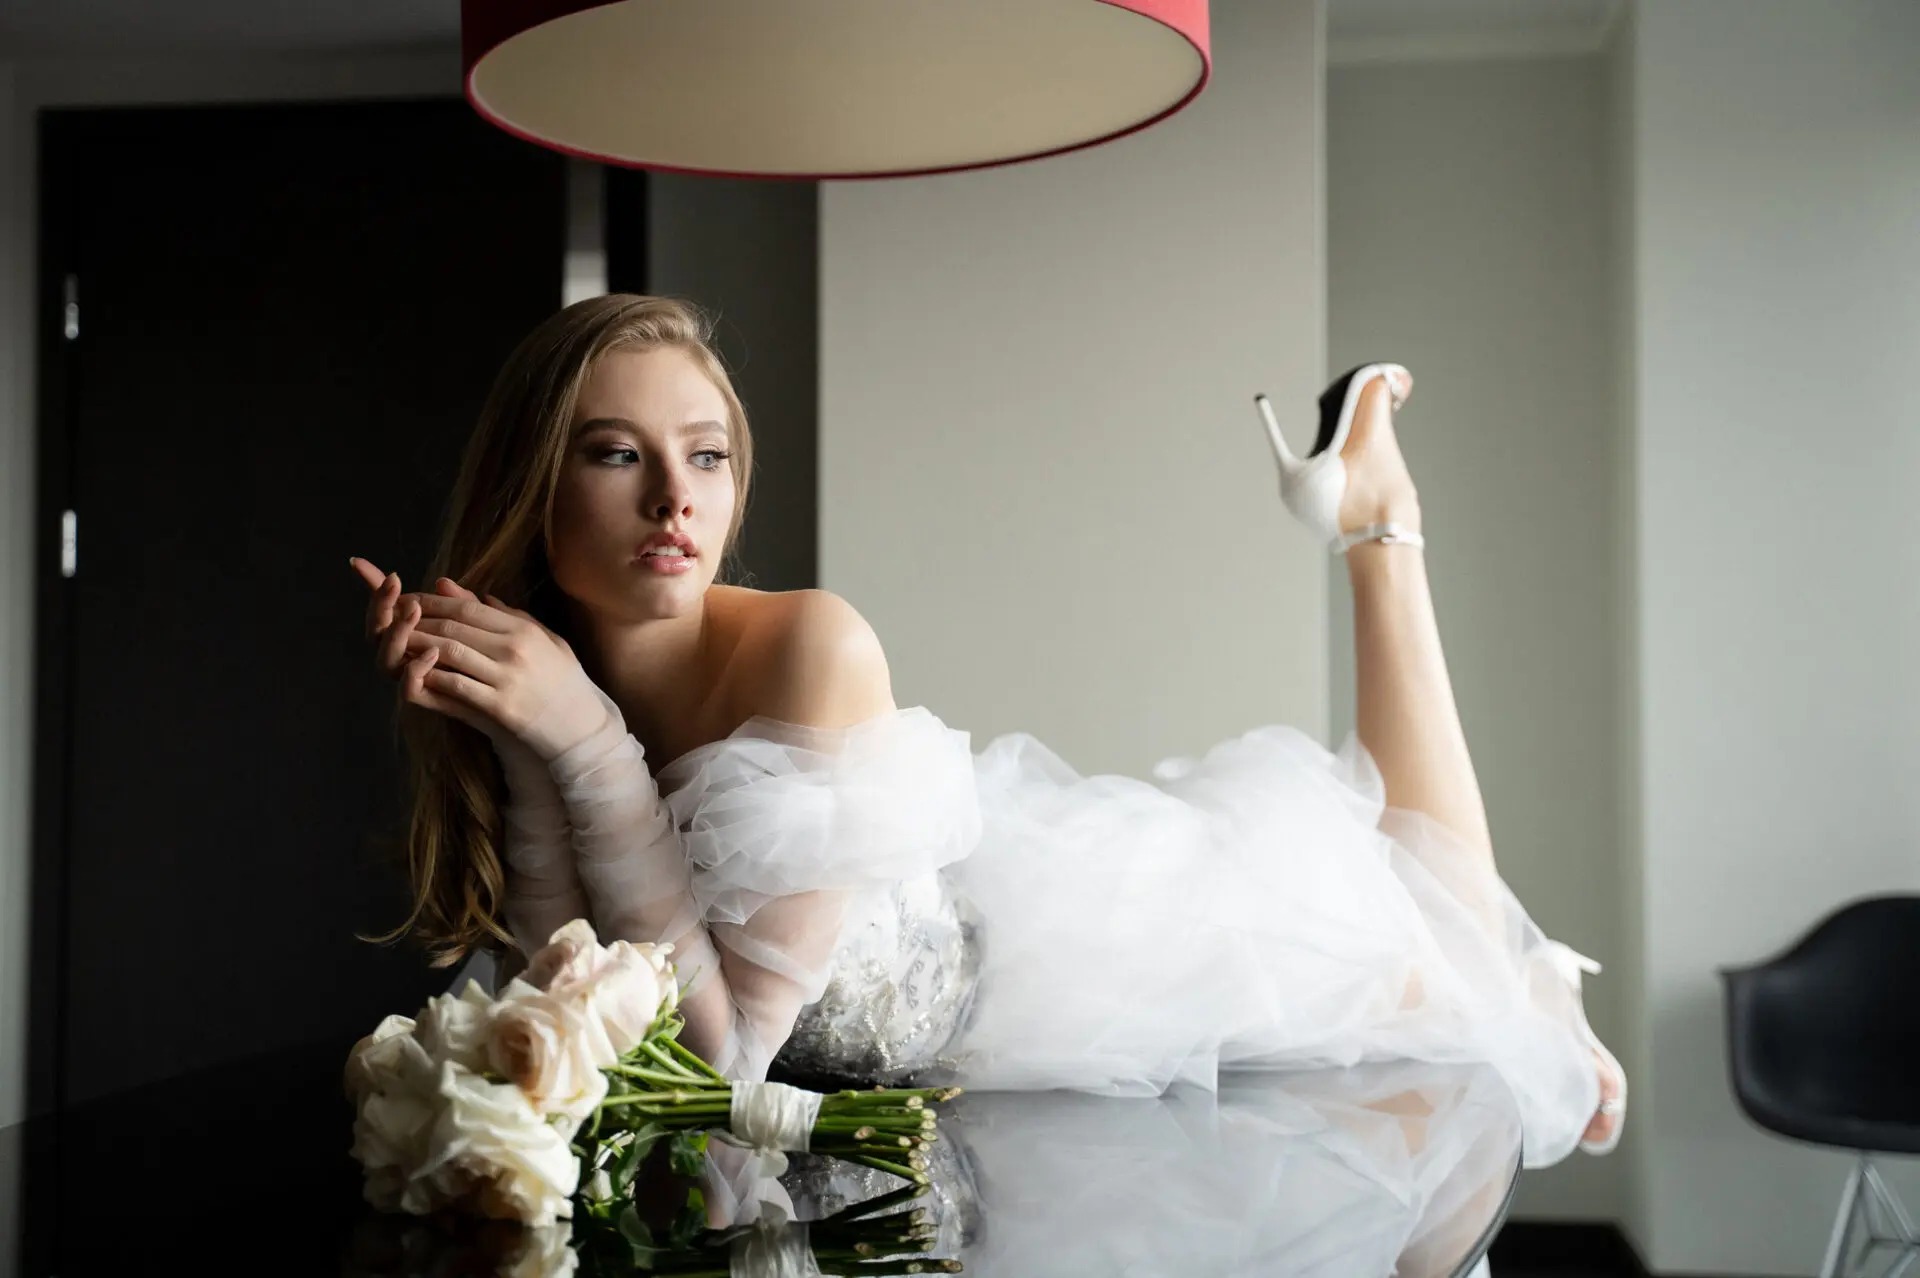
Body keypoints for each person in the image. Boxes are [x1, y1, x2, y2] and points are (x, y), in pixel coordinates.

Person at [350, 293, 1624, 1169]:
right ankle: (1364, 508)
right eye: (618, 456)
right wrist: (524, 739)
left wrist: (582, 741)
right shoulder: (546, 679)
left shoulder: (812, 645)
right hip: (953, 1029)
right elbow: (583, 983)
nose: (678, 500)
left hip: (1075, 961)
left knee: (1443, 926)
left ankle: (1383, 521)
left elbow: (728, 1058)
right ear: (536, 486)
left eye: (710, 455)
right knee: (1427, 918)